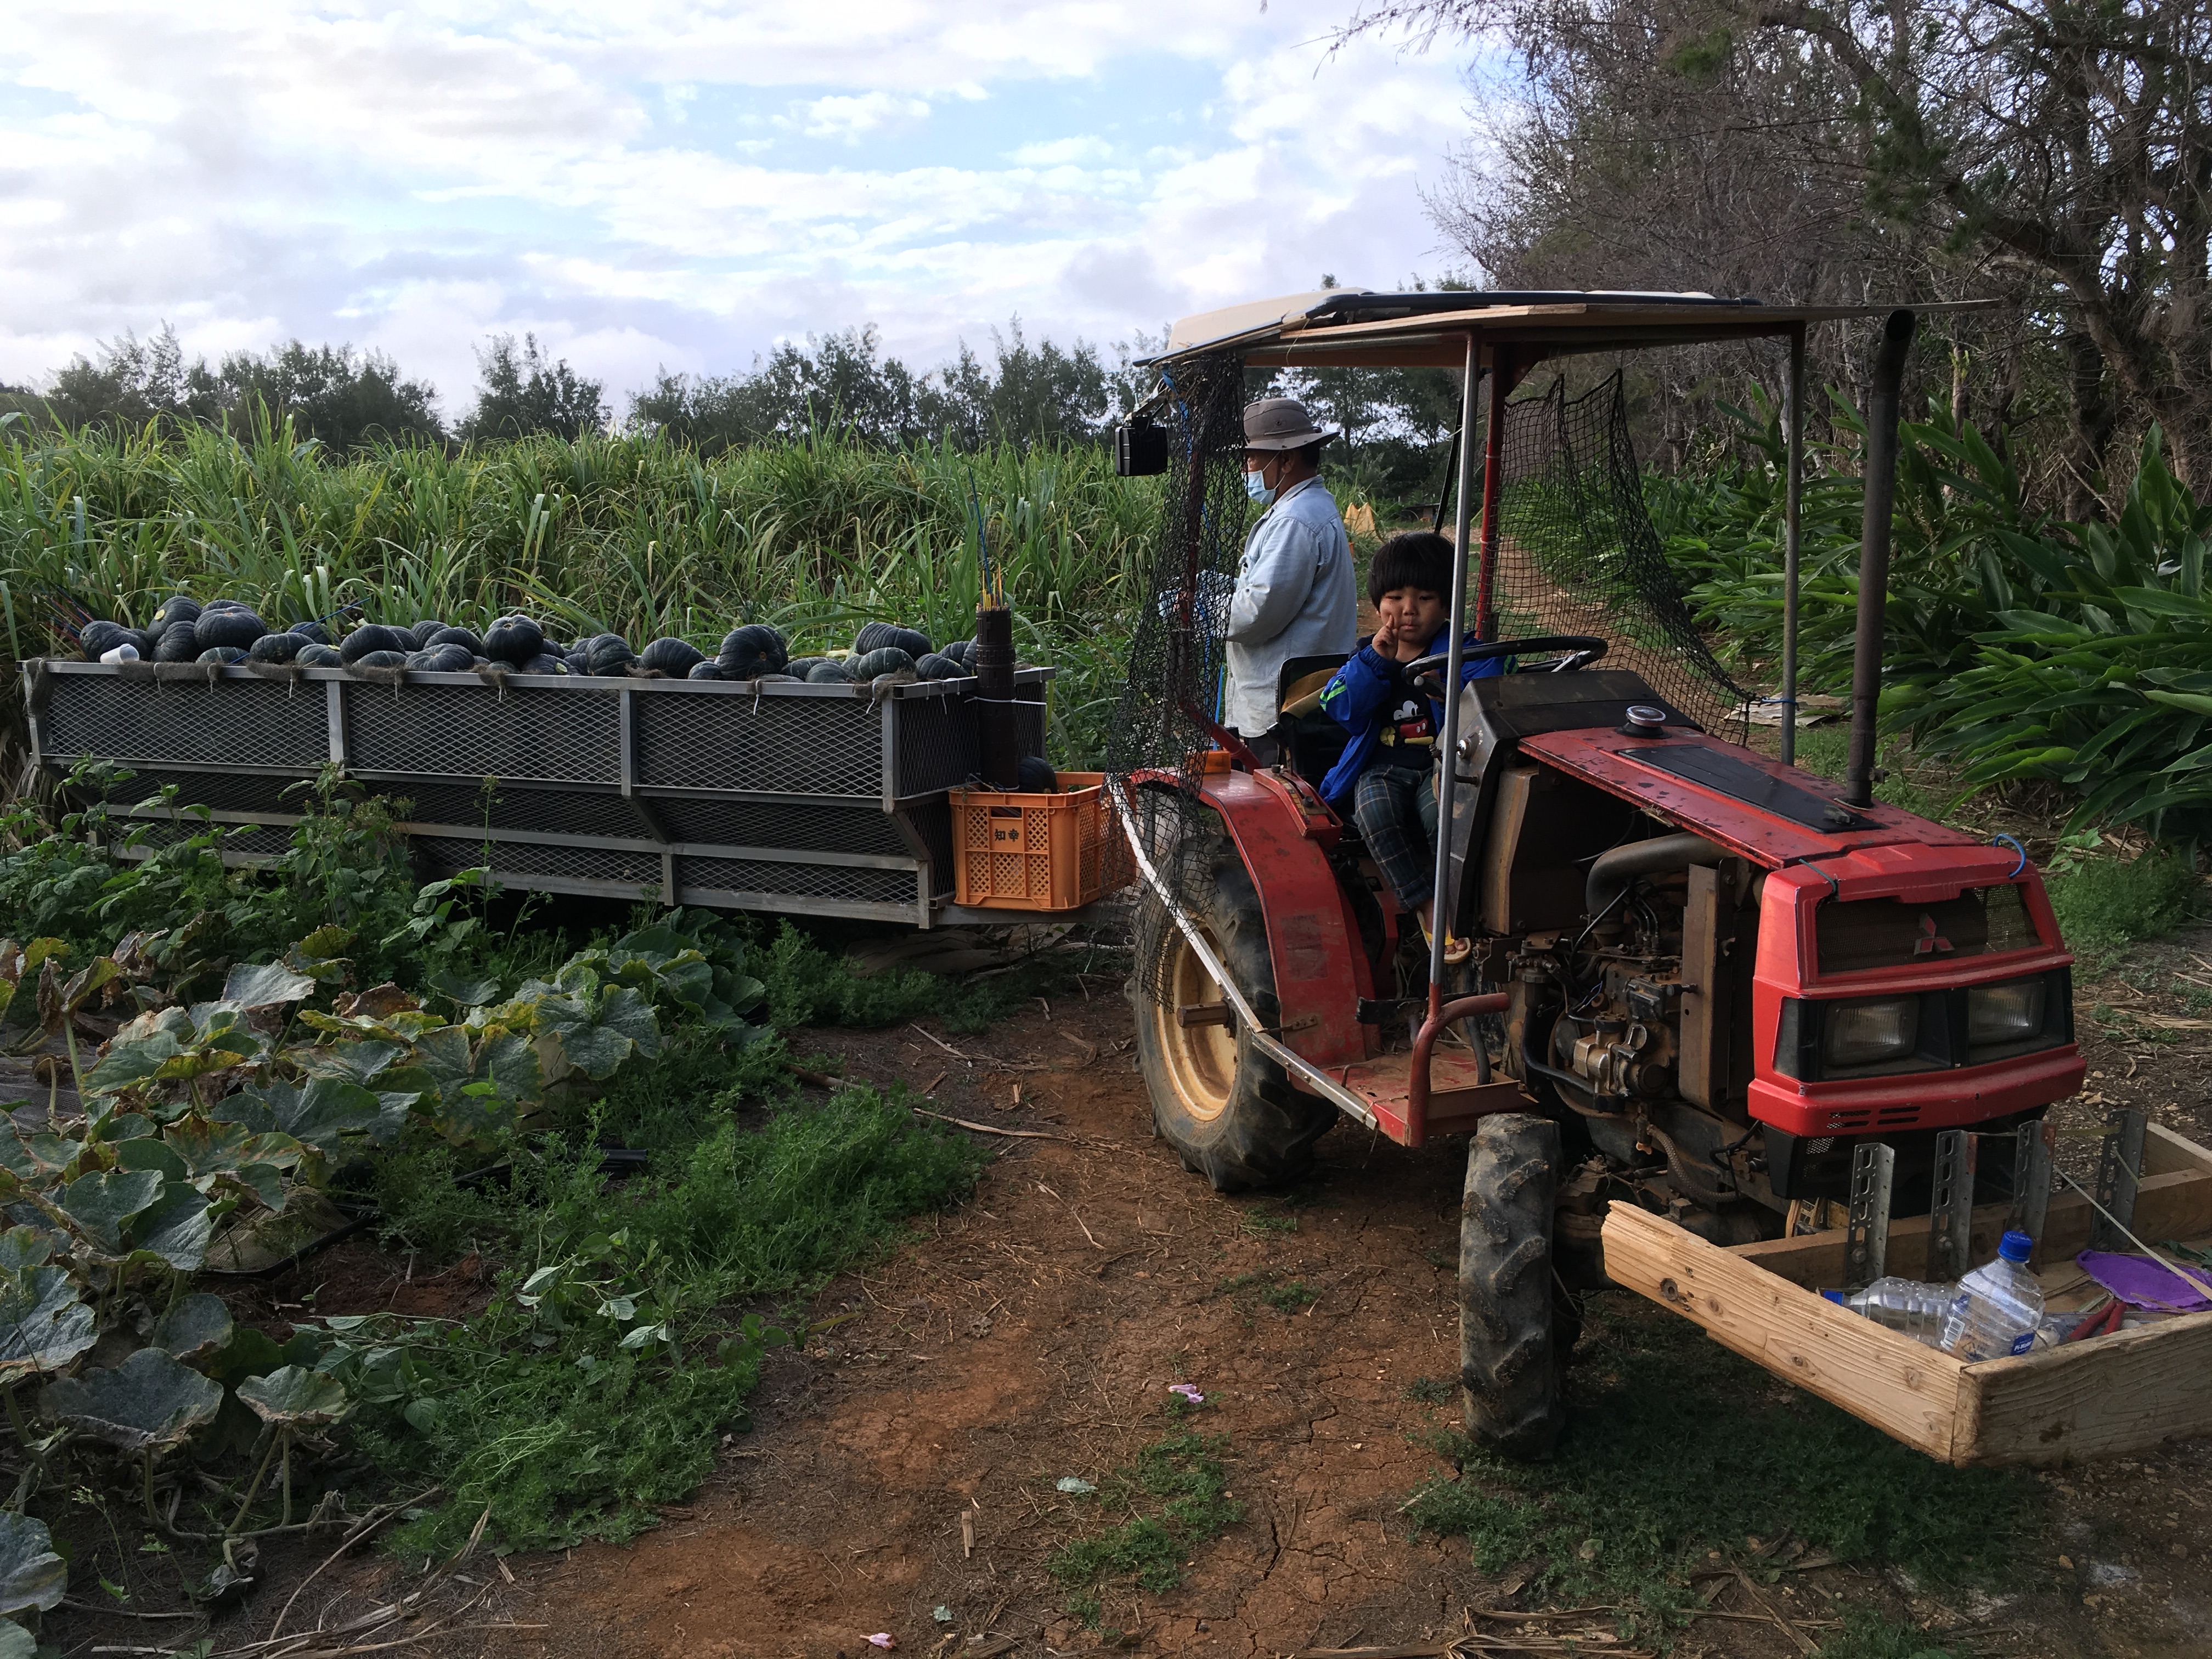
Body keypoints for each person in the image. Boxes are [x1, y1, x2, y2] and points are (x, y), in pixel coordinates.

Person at [1315, 531, 1503, 961]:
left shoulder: (1466, 652)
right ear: (1378, 603)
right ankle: (1426, 904)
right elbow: (1338, 706)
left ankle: (1460, 904)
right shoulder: (1368, 655)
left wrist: (1451, 684)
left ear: (1448, 604)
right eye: (1395, 597)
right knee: (1375, 814)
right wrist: (1376, 664)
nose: (1408, 611)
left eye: (1425, 598)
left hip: (1440, 765)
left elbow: (1494, 689)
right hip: (1381, 767)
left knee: (1445, 817)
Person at [1219, 397, 1358, 764]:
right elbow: (1268, 589)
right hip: (1291, 698)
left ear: (1286, 459)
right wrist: (1220, 587)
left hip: (1283, 709)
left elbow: (1257, 613)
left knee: (1275, 808)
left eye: (1252, 458)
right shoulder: (1302, 510)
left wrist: (1202, 608)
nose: (1247, 467)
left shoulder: (1295, 521)